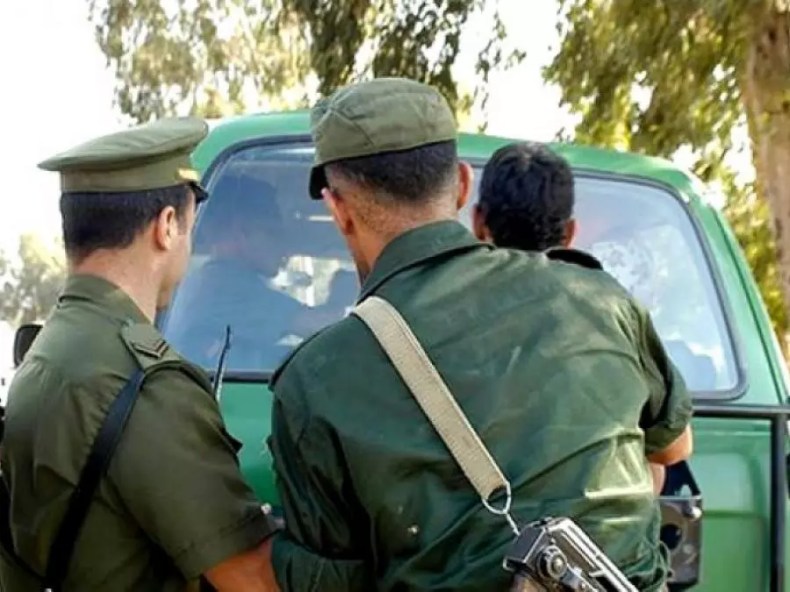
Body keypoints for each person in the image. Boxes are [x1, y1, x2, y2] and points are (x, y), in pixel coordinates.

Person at [266, 78, 693, 591]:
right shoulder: (599, 298)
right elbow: (672, 448)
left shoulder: (316, 381)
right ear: (464, 187)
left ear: (338, 209)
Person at [0, 117, 279, 592]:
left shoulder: (45, 352)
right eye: (191, 227)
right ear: (167, 226)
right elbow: (251, 580)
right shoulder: (148, 383)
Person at [473, 141, 673, 494]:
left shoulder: (440, 305)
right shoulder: (613, 306)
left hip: (476, 533)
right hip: (596, 542)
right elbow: (676, 448)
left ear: (478, 223)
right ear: (569, 233)